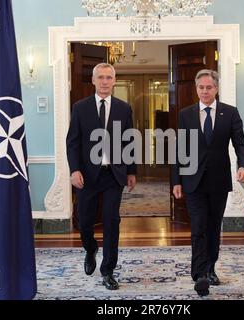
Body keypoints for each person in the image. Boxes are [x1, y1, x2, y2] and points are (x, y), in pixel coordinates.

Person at [172, 69, 244, 296]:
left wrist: (242, 166)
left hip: (218, 181)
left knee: (213, 227)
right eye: (201, 87)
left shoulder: (230, 113)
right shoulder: (186, 114)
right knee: (198, 227)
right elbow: (180, 150)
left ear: (216, 89)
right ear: (196, 89)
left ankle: (211, 267)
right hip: (192, 181)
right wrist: (176, 181)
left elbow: (241, 144)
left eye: (209, 87)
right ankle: (200, 275)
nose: (205, 91)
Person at [66, 63, 137, 290]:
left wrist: (132, 171)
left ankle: (108, 271)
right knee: (84, 222)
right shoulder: (80, 107)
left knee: (111, 221)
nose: (105, 82)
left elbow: (129, 142)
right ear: (94, 81)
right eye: (101, 77)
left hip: (113, 175)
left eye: (109, 77)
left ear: (114, 81)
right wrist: (74, 170)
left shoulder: (124, 109)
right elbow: (73, 142)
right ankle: (90, 248)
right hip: (86, 175)